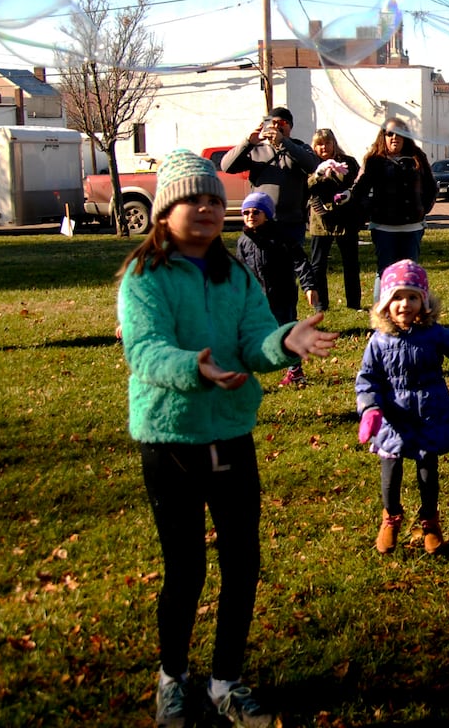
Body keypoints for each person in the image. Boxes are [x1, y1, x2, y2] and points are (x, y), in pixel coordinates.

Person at [117, 149, 336, 728]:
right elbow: (144, 350)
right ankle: (172, 678)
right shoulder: (145, 277)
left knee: (242, 562)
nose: (209, 208)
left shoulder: (234, 272)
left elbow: (256, 337)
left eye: (216, 198)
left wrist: (285, 342)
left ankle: (226, 681)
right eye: (194, 198)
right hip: (172, 439)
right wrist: (196, 368)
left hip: (232, 434)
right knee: (185, 568)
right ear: (165, 212)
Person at [355, 260, 449, 555]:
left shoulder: (435, 334)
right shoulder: (378, 341)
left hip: (429, 415)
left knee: (428, 474)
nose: (405, 304)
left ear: (423, 302)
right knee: (391, 475)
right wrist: (371, 411)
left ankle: (430, 521)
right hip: (393, 420)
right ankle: (391, 518)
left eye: (413, 297)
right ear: (386, 303)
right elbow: (367, 380)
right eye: (397, 297)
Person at [221, 106, 320, 306]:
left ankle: (286, 315)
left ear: (289, 126)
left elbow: (312, 165)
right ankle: (260, 313)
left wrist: (284, 143)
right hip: (261, 224)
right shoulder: (256, 151)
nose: (276, 127)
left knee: (287, 272)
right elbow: (226, 166)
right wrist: (248, 142)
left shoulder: (299, 148)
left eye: (281, 123)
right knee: (260, 271)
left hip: (290, 222)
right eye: (272, 122)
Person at [236, 192, 317, 388]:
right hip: (257, 298)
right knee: (252, 333)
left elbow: (300, 261)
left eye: (256, 212)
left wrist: (308, 286)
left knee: (286, 331)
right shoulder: (243, 241)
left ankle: (295, 371)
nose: (250, 216)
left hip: (282, 295)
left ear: (267, 214)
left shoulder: (281, 237)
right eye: (246, 212)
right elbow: (240, 270)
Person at [353, 118, 437, 296]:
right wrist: (371, 210)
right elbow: (359, 191)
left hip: (412, 227)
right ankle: (382, 315)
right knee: (385, 271)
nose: (394, 138)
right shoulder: (374, 160)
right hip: (384, 227)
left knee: (409, 271)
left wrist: (422, 209)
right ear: (383, 136)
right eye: (389, 133)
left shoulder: (417, 158)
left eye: (399, 134)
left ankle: (409, 314)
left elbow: (431, 187)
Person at [306, 128, 364, 312]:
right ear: (314, 146)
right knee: (318, 264)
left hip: (345, 220)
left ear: (334, 144)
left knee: (351, 263)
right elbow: (306, 187)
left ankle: (354, 304)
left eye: (327, 143)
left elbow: (353, 182)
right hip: (320, 222)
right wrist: (319, 174)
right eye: (319, 144)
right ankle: (321, 305)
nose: (324, 147)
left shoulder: (348, 162)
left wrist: (338, 175)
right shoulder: (309, 163)